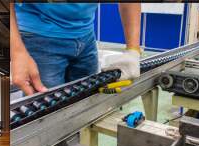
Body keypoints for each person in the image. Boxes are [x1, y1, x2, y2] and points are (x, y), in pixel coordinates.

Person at [11, 3, 141, 95]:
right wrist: (17, 53)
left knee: (85, 107)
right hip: (38, 35)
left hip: (86, 35)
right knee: (45, 117)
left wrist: (133, 50)